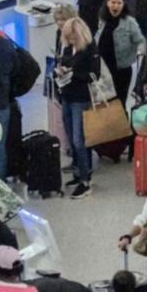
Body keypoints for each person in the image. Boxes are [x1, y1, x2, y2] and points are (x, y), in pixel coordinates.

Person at [52, 16, 101, 199]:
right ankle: (80, 172)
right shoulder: (66, 46)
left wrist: (74, 73)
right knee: (72, 138)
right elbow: (60, 62)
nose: (70, 40)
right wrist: (59, 70)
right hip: (66, 96)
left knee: (79, 140)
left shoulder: (89, 48)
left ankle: (85, 180)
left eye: (73, 37)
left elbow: (95, 73)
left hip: (81, 97)